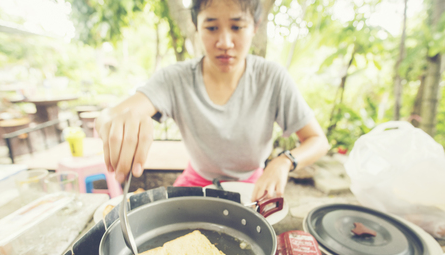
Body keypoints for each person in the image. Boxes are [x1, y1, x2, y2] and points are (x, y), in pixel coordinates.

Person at [95, 0, 329, 201]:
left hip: (254, 188)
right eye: (212, 27)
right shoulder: (175, 78)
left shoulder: (272, 78)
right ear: (197, 26)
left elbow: (317, 140)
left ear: (255, 27)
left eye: (237, 26)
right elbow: (110, 116)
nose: (225, 42)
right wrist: (115, 122)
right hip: (195, 185)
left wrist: (283, 162)